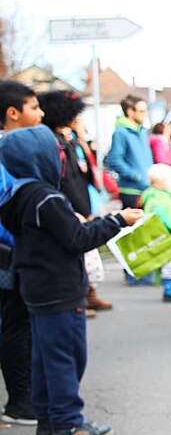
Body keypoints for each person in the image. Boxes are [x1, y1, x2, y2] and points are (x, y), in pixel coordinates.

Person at [0, 126, 143, 435]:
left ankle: (48, 420)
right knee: (67, 356)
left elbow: (54, 233)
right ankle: (69, 424)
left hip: (36, 288)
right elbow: (77, 239)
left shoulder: (18, 195)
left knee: (45, 357)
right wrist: (118, 221)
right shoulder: (48, 198)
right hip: (60, 288)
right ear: (41, 157)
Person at [38, 90, 113, 314]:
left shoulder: (70, 142)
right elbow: (65, 180)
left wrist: (81, 140)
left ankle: (88, 294)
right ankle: (79, 298)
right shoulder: (53, 143)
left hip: (80, 202)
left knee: (87, 257)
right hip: (68, 205)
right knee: (75, 256)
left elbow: (88, 173)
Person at [0, 80, 44, 426]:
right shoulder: (7, 154)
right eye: (33, 107)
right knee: (15, 325)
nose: (40, 113)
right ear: (13, 113)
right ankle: (19, 401)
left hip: (15, 249)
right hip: (8, 251)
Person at [141, 164, 171, 303]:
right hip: (166, 237)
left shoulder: (166, 196)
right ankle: (169, 291)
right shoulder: (157, 199)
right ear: (159, 182)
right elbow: (163, 218)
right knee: (170, 266)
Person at [105, 95, 154, 209]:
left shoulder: (142, 131)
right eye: (142, 111)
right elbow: (114, 160)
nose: (145, 114)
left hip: (146, 189)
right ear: (130, 112)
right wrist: (136, 176)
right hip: (131, 191)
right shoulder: (121, 133)